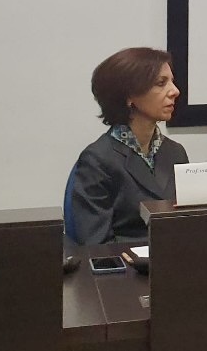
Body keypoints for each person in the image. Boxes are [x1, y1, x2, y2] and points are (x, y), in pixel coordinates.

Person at [70, 47, 189, 244]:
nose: (175, 91)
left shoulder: (175, 152)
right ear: (129, 96)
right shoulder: (97, 160)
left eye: (172, 81)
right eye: (161, 83)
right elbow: (96, 244)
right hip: (127, 261)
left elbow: (187, 225)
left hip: (174, 257)